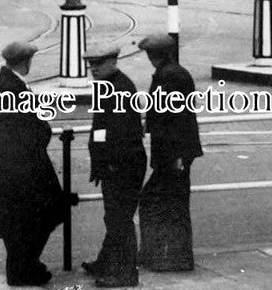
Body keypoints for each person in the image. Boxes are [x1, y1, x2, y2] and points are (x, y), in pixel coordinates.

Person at [0, 41, 68, 287]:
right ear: (26, 61)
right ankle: (25, 268)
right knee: (44, 215)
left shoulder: (3, 85)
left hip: (11, 168)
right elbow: (36, 131)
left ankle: (24, 267)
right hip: (26, 169)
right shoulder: (15, 89)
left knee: (20, 222)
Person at [136, 33, 202, 272]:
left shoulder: (169, 76)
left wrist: (176, 158)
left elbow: (173, 119)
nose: (148, 58)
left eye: (149, 54)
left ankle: (162, 256)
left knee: (156, 202)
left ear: (156, 55)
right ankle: (173, 256)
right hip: (176, 153)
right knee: (174, 204)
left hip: (173, 154)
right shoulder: (173, 72)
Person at [82, 43, 146, 288]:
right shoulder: (108, 86)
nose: (93, 69)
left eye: (98, 64)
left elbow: (118, 135)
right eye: (91, 65)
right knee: (116, 217)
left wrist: (108, 164)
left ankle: (126, 274)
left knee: (120, 219)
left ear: (113, 62)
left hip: (122, 166)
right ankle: (106, 262)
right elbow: (101, 130)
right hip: (115, 164)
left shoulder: (119, 89)